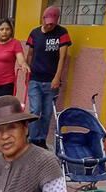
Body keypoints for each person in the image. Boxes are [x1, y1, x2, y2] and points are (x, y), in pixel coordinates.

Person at [26, 6, 71, 149]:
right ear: (43, 19)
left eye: (53, 22)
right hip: (35, 79)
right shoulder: (34, 33)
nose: (50, 25)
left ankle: (41, 140)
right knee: (35, 110)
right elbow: (30, 54)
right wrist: (27, 72)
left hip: (51, 81)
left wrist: (57, 78)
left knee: (47, 113)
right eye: (48, 22)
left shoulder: (62, 33)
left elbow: (62, 57)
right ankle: (32, 139)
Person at [0, 18, 30, 113]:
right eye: (2, 29)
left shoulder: (15, 43)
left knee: (4, 111)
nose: (5, 32)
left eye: (7, 29)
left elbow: (20, 58)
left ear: (11, 31)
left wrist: (24, 64)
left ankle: (3, 128)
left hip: (6, 83)